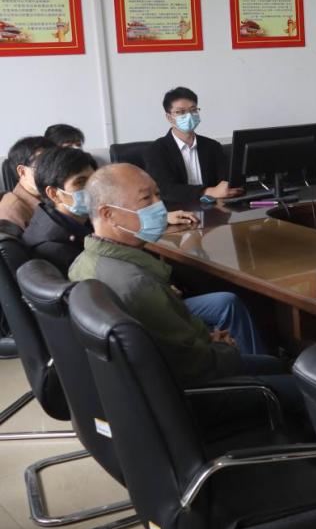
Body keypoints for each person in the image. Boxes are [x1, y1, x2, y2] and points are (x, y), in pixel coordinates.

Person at [68, 164, 277, 386]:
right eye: (146, 198)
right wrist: (224, 348)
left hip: (147, 381)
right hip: (203, 389)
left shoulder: (80, 264)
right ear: (108, 214)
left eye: (158, 195)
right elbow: (197, 366)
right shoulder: (140, 285)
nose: (159, 206)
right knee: (278, 369)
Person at [24, 147, 198, 275]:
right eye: (80, 182)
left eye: (93, 179)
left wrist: (158, 216)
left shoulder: (68, 219)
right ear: (54, 194)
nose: (92, 188)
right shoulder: (54, 248)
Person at [143, 87, 243, 205]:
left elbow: (225, 181)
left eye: (193, 110)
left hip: (213, 209)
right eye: (181, 112)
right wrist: (207, 191)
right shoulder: (156, 150)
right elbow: (165, 189)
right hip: (177, 210)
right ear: (169, 117)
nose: (189, 116)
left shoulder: (212, 146)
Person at [0, 136, 56, 231]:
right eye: (43, 166)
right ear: (22, 171)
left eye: (54, 164)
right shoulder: (11, 211)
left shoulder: (51, 196)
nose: (52, 172)